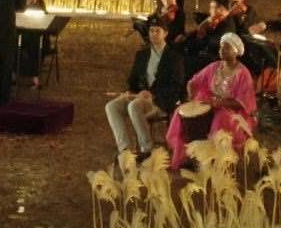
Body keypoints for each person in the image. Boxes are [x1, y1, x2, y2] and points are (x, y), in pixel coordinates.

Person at [166, 33, 258, 169]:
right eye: (221, 47)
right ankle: (186, 155)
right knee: (180, 113)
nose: (222, 50)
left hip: (232, 111)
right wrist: (191, 97)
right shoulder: (214, 67)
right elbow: (194, 82)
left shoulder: (243, 73)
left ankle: (214, 162)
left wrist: (218, 103)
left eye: (226, 47)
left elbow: (242, 103)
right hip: (211, 103)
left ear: (236, 51)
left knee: (221, 119)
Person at [106, 21, 186, 158]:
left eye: (157, 31)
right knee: (112, 106)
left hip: (161, 101)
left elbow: (176, 86)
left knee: (134, 106)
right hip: (139, 98)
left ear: (165, 33)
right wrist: (129, 91)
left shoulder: (174, 57)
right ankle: (125, 149)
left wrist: (152, 94)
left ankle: (147, 149)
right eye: (151, 31)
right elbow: (133, 80)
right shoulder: (142, 55)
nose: (154, 34)